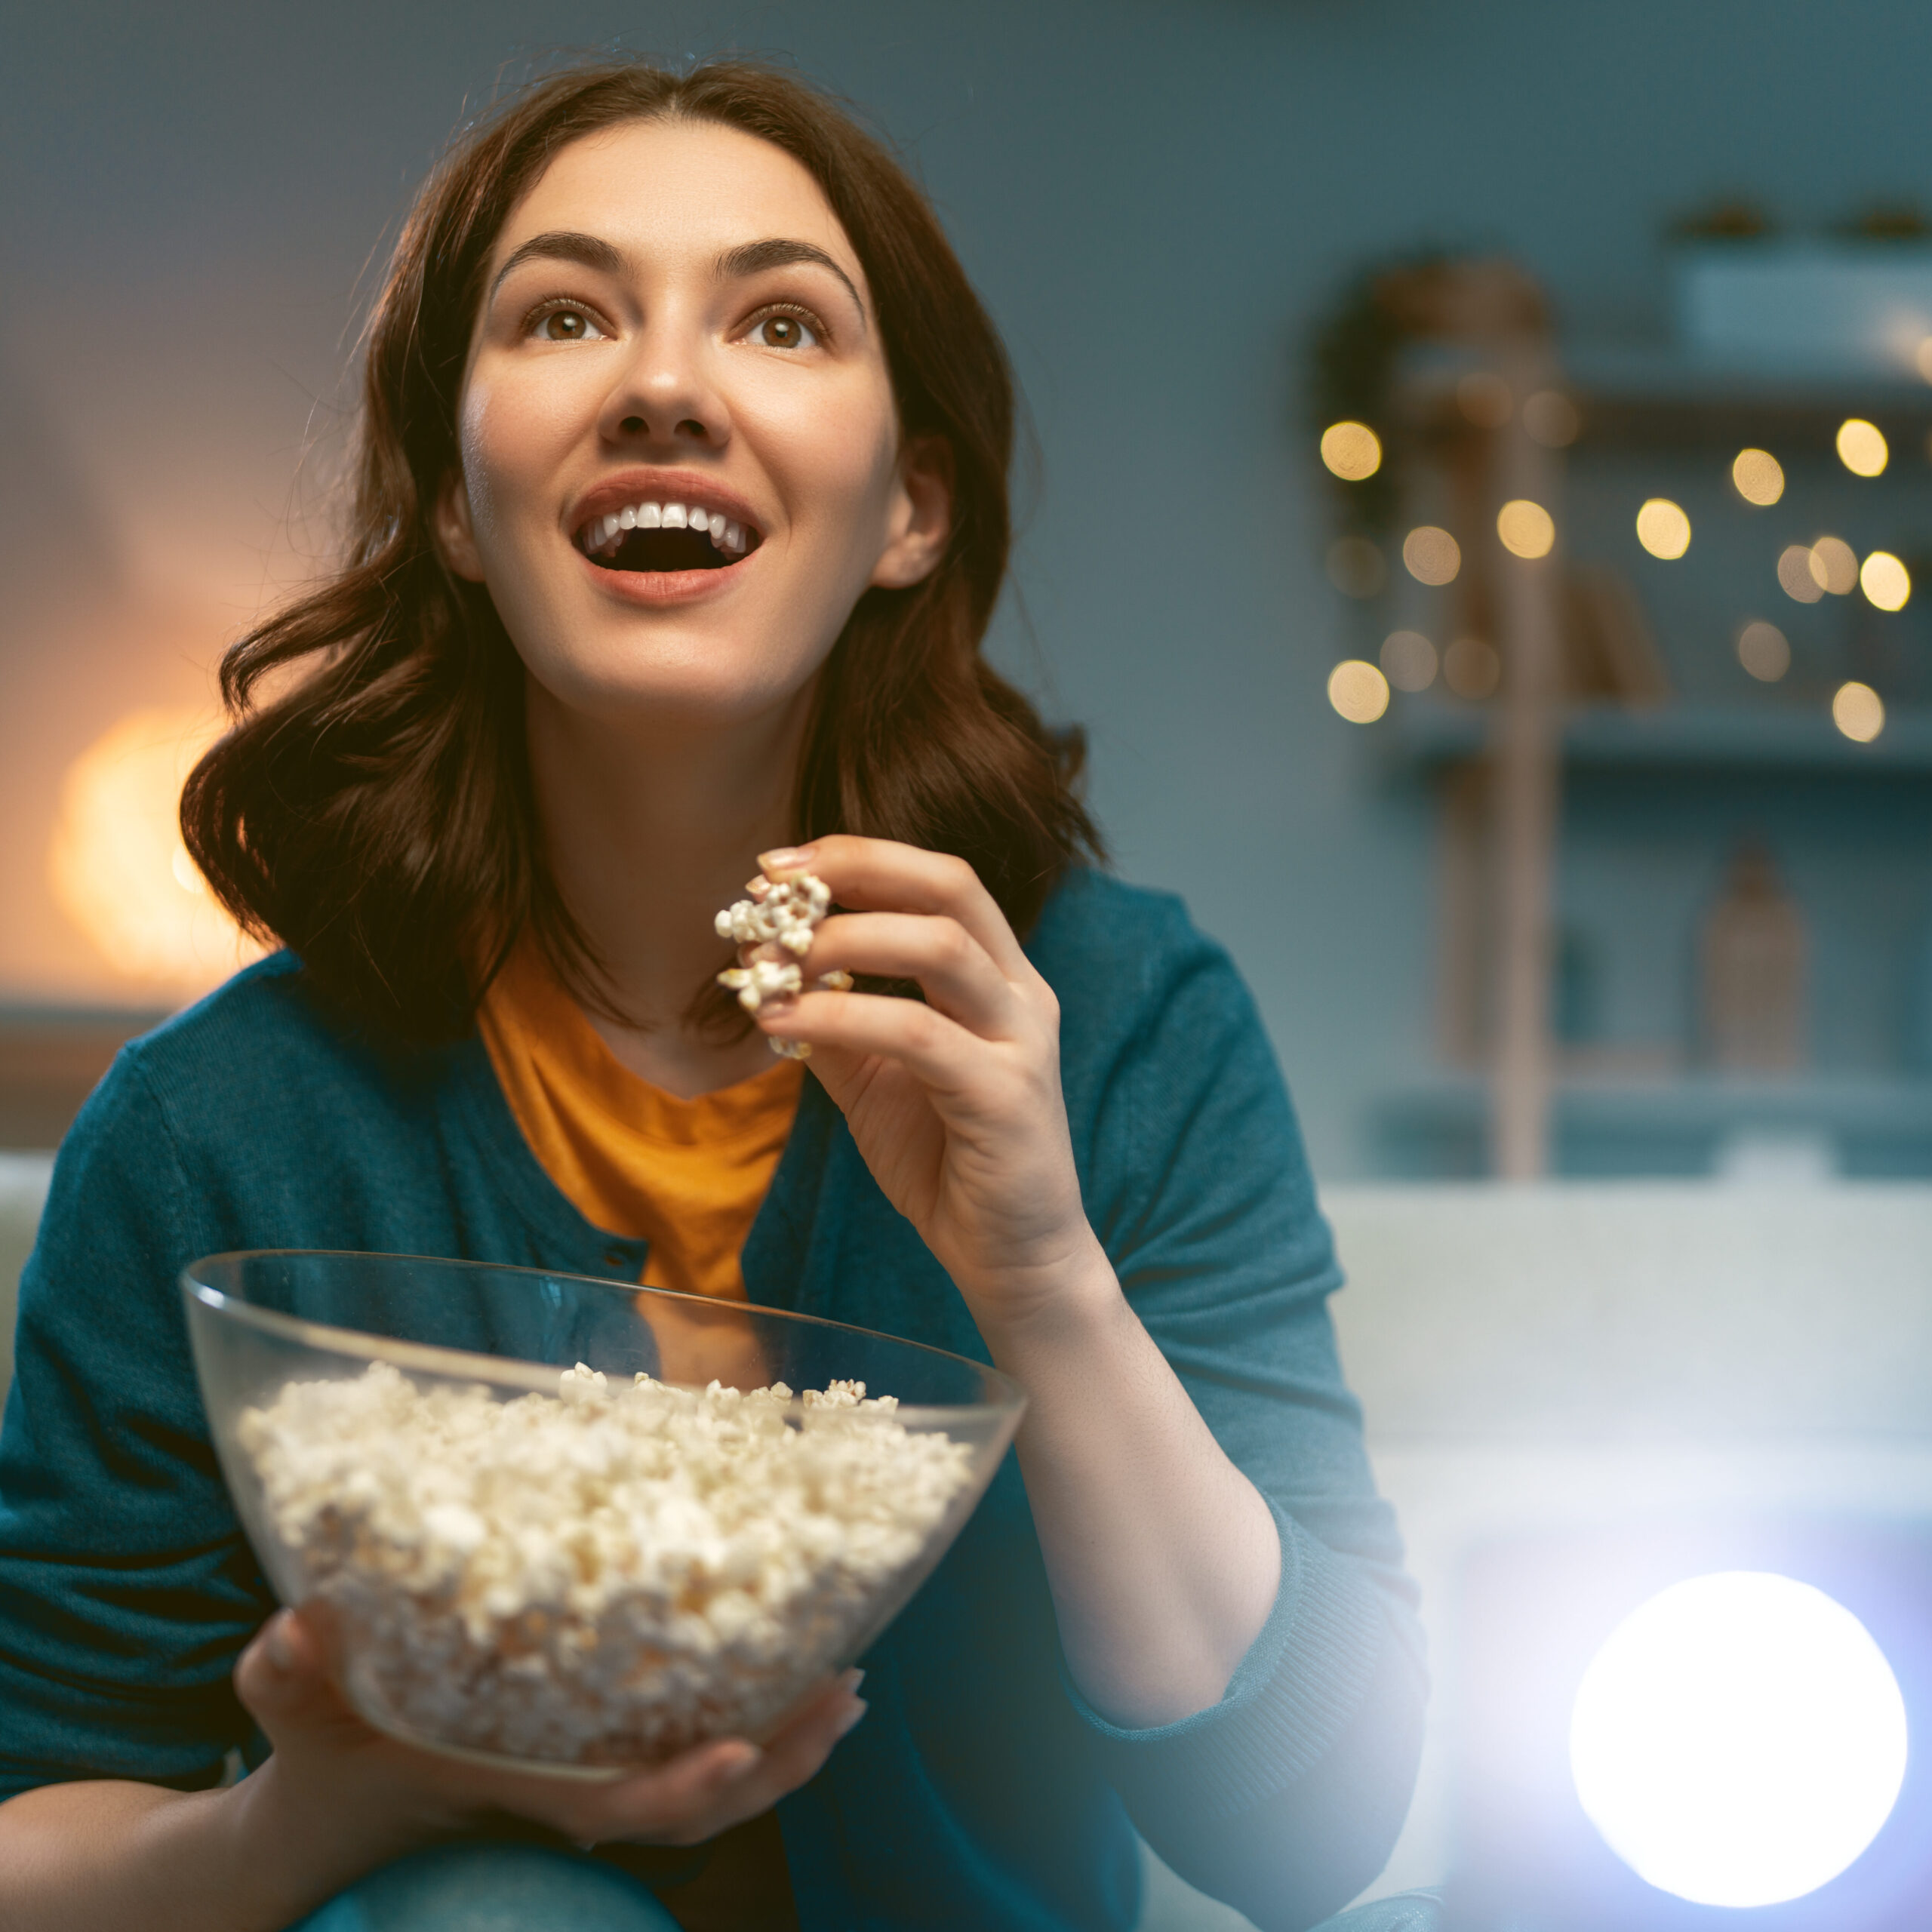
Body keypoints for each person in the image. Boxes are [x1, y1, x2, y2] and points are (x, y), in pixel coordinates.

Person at [0, 58, 1425, 1932]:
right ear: (448, 492)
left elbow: (1313, 1828)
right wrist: (320, 1811)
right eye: (567, 313)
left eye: (778, 319)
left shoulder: (1119, 1017)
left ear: (911, 506)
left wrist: (1043, 1275)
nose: (664, 383)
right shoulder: (222, 1129)